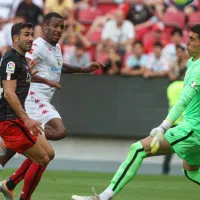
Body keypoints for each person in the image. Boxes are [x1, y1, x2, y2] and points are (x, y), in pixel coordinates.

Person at [71, 24, 200, 200]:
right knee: (191, 171)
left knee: (138, 149)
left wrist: (163, 127)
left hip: (192, 130)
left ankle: (103, 197)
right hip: (193, 128)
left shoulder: (198, 69)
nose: (187, 42)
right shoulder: (193, 62)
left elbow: (183, 101)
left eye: (192, 39)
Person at [0, 12, 103, 199]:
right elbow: (19, 77)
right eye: (55, 26)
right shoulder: (33, 48)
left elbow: (57, 66)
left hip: (42, 100)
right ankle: (15, 144)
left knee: (45, 154)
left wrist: (83, 69)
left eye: (61, 27)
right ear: (45, 26)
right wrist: (45, 81)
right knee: (54, 137)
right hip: (32, 99)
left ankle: (10, 181)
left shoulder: (55, 48)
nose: (58, 30)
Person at [0, 22, 55, 200]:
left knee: (49, 154)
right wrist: (26, 119)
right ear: (16, 38)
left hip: (17, 118)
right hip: (10, 121)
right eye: (26, 35)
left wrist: (38, 78)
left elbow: (19, 80)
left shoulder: (21, 59)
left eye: (32, 34)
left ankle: (8, 185)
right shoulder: (11, 60)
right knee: (42, 159)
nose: (31, 38)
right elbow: (8, 93)